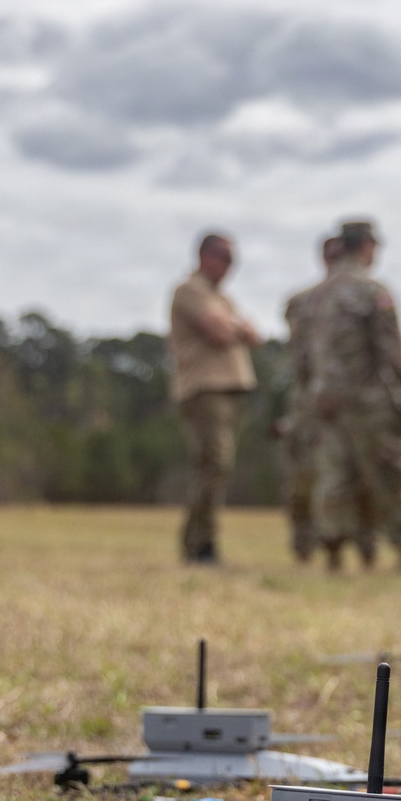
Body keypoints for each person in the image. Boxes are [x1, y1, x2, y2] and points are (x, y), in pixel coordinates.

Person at [309, 219, 401, 573]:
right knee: (393, 474)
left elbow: (303, 355)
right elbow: (394, 351)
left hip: (326, 400)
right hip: (369, 401)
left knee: (335, 475)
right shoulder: (371, 291)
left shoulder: (316, 295)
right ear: (365, 246)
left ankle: (332, 552)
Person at [169, 233, 259, 564]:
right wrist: (236, 327)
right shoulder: (190, 290)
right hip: (204, 389)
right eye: (226, 259)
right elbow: (220, 332)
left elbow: (254, 335)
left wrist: (234, 325)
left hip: (227, 392)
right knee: (214, 463)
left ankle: (200, 541)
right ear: (206, 256)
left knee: (215, 467)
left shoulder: (222, 299)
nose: (230, 268)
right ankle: (199, 544)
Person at [280, 235, 341, 563]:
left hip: (346, 404)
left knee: (346, 475)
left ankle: (348, 545)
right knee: (303, 475)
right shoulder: (302, 302)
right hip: (308, 401)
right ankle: (303, 545)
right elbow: (300, 357)